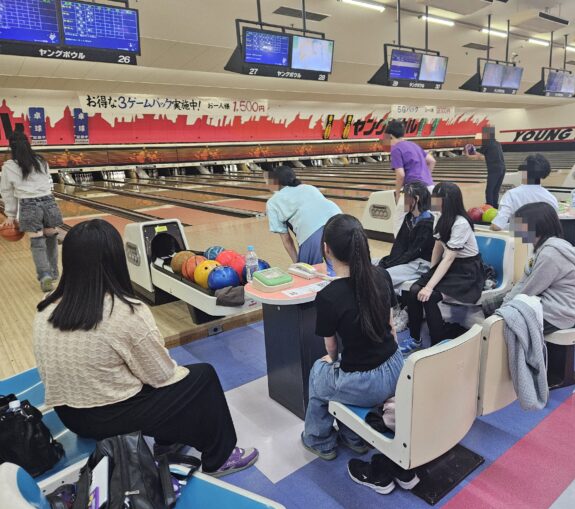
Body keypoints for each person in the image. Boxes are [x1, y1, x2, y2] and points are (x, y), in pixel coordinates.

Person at [33, 219, 258, 477]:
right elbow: (162, 376)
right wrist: (178, 374)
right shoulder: (124, 311)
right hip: (108, 417)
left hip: (69, 416)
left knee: (141, 381)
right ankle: (220, 457)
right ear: (116, 259)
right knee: (200, 377)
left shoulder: (45, 307)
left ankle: (169, 441)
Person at [301, 214, 404, 460]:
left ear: (326, 249)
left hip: (366, 385)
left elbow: (331, 348)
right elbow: (392, 327)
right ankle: (354, 436)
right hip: (397, 368)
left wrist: (332, 361)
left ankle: (320, 440)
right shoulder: (382, 275)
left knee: (319, 371)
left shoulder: (328, 296)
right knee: (342, 373)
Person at [402, 182, 485, 354]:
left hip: (466, 271)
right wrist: (430, 273)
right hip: (450, 267)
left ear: (447, 201)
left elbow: (448, 258)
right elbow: (437, 247)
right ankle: (415, 338)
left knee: (429, 296)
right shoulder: (440, 217)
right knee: (414, 290)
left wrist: (430, 286)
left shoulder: (461, 223)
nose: (432, 201)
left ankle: (438, 343)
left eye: (436, 198)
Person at [497, 202, 575, 333]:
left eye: (519, 226)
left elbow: (530, 289)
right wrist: (505, 301)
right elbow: (525, 281)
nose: (515, 230)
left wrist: (502, 309)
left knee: (501, 325)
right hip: (544, 301)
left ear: (536, 226)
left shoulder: (550, 254)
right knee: (490, 304)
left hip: (558, 313)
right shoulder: (541, 246)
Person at [0, 125, 62, 292]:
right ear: (28, 144)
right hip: (49, 203)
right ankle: (54, 272)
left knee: (37, 242)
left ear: (11, 146)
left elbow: (7, 193)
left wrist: (10, 215)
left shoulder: (8, 166)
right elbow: (47, 183)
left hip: (29, 206)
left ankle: (45, 276)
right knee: (51, 237)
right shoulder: (41, 161)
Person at [265, 166, 341, 265]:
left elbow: (287, 240)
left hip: (312, 232)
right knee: (341, 266)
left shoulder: (272, 202)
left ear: (275, 182)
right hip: (341, 221)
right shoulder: (309, 187)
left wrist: (297, 264)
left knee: (308, 271)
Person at [377, 182, 435, 292]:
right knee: (370, 263)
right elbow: (400, 245)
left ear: (416, 199)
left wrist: (390, 264)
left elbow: (413, 252)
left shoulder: (427, 223)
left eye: (406, 197)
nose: (403, 201)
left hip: (420, 264)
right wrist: (388, 261)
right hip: (407, 259)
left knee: (380, 277)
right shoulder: (409, 217)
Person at [384, 120, 436, 234]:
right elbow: (432, 161)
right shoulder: (413, 145)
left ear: (390, 136)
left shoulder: (396, 149)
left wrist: (398, 194)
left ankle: (399, 244)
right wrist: (426, 177)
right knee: (436, 218)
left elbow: (401, 175)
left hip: (413, 191)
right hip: (431, 188)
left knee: (399, 219)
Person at [491, 153, 558, 231]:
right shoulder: (551, 198)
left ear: (524, 171)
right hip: (544, 237)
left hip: (519, 238)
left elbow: (497, 226)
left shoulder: (511, 195)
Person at [471, 126, 506, 209]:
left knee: (489, 189)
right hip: (502, 169)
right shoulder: (497, 143)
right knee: (496, 189)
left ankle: (489, 207)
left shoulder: (487, 143)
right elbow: (484, 157)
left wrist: (469, 152)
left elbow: (477, 156)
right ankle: (495, 206)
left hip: (494, 170)